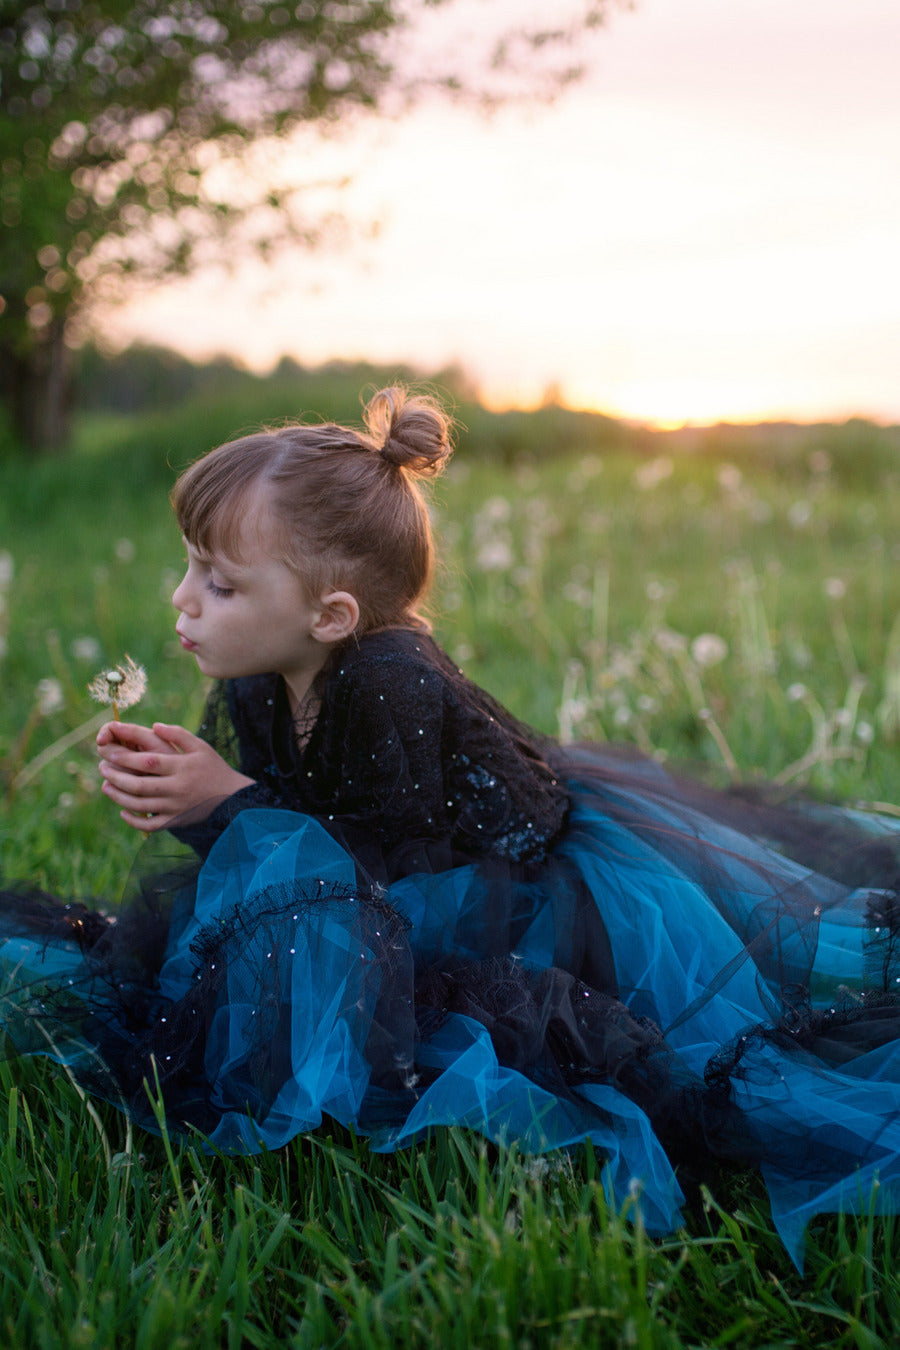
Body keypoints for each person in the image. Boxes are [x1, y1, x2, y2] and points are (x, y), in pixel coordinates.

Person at [3, 386, 900, 1269]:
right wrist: (196, 801)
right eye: (191, 566)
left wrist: (230, 802)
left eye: (221, 582)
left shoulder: (388, 680)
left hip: (519, 880)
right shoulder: (255, 674)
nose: (183, 599)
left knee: (751, 996)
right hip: (394, 872)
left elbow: (380, 875)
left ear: (332, 615)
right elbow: (286, 858)